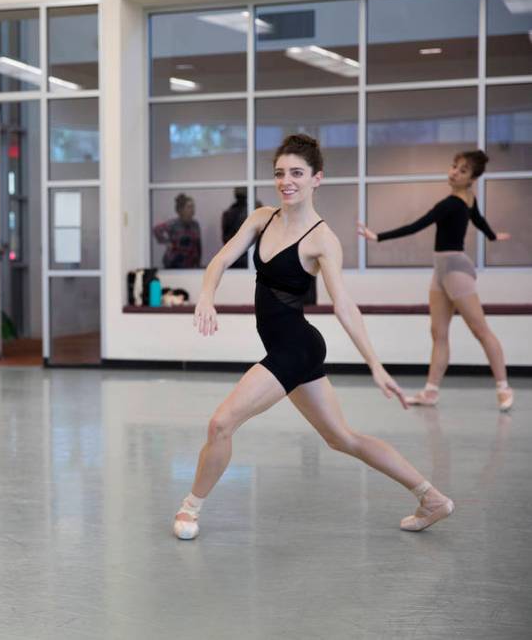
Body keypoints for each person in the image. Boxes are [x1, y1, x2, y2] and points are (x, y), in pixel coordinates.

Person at [172, 134, 453, 541]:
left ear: (317, 179)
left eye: (297, 173)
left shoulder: (323, 240)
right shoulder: (261, 217)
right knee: (343, 438)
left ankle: (189, 508)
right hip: (287, 347)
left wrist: (375, 364)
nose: (287, 181)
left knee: (221, 424)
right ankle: (431, 498)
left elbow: (344, 306)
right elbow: (219, 260)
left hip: (296, 347)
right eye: (280, 173)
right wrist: (206, 298)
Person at [357, 150, 513, 411]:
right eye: (454, 166)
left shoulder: (452, 203)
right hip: (441, 271)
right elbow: (480, 221)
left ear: (471, 178)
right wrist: (493, 236)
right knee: (438, 333)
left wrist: (377, 237)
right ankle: (431, 392)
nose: (454, 172)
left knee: (480, 329)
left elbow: (417, 225)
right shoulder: (467, 199)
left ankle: (503, 387)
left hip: (456, 269)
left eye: (462, 170)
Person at [153, 192, 202, 268]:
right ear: (181, 210)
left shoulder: (195, 225)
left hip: (190, 265)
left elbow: (198, 245)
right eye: (189, 207)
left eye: (193, 207)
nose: (192, 210)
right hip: (174, 264)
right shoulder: (173, 224)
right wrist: (167, 242)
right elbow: (156, 229)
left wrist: (198, 263)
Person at [221, 186, 249, 268]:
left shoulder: (228, 213)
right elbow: (225, 237)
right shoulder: (229, 213)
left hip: (237, 255)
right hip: (237, 256)